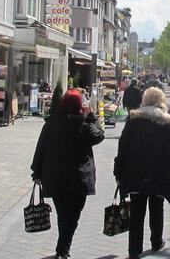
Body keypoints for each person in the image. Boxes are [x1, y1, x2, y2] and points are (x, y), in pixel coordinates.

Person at [114, 88, 170, 259]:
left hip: (135, 172)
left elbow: (123, 148)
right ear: (162, 101)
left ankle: (134, 250)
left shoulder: (134, 118)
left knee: (137, 212)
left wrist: (118, 172)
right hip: (160, 173)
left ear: (145, 100)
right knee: (157, 207)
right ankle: (156, 241)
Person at [30, 89, 105, 259]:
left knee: (64, 214)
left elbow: (40, 148)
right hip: (78, 179)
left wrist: (37, 172)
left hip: (55, 178)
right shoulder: (83, 124)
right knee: (72, 216)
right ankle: (62, 249)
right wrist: (92, 116)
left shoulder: (50, 124)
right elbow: (99, 136)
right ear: (79, 105)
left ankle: (63, 248)